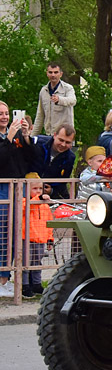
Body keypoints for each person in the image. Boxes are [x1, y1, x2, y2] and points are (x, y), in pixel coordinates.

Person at [0, 101, 37, 297]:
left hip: (19, 188)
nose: (5, 117)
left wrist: (25, 136)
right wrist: (8, 139)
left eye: (6, 113)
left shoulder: (16, 137)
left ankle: (5, 278)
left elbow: (32, 159)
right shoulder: (6, 138)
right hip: (3, 188)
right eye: (1, 114)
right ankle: (1, 277)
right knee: (2, 232)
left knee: (15, 234)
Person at [17, 173, 52, 297]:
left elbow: (49, 223)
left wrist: (50, 238)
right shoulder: (24, 201)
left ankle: (36, 284)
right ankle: (24, 285)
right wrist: (38, 199)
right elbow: (25, 209)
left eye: (40, 189)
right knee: (26, 262)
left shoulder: (45, 205)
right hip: (26, 238)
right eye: (34, 189)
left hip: (40, 238)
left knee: (37, 262)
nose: (38, 191)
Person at [32, 123, 76, 200]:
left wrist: (51, 190)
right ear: (54, 135)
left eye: (68, 142)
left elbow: (63, 182)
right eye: (61, 140)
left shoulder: (70, 157)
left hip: (50, 197)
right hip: (28, 191)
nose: (63, 144)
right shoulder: (38, 142)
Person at [30, 62, 77, 136]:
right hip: (49, 134)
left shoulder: (68, 88)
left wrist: (59, 100)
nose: (53, 75)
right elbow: (40, 116)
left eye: (56, 72)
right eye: (50, 72)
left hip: (65, 135)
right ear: (47, 74)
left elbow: (73, 101)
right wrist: (32, 137)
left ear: (61, 74)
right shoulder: (43, 91)